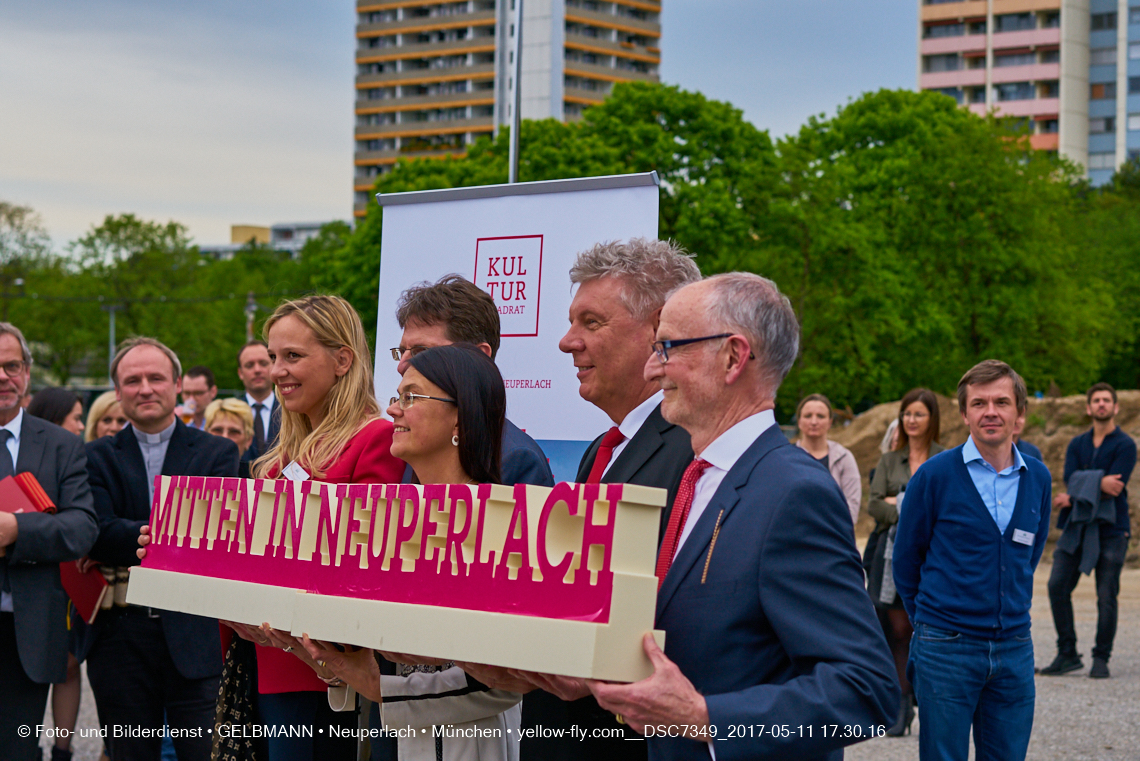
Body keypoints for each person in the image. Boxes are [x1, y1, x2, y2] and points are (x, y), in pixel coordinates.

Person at [579, 273, 897, 759]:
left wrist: (706, 719)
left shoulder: (795, 494)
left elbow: (866, 689)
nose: (651, 368)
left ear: (732, 357)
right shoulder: (695, 477)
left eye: (667, 347)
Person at [485, 239, 699, 761]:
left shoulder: (694, 455)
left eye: (591, 322)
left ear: (657, 332)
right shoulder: (601, 453)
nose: (566, 341)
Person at [294, 344, 524, 761]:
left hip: (466, 744)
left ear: (460, 413)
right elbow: (381, 654)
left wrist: (384, 689)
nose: (394, 410)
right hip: (393, 738)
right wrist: (330, 656)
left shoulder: (498, 522)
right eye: (397, 397)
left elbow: (506, 682)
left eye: (411, 397)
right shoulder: (388, 518)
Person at [221, 294, 406, 761]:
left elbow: (365, 560)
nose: (276, 370)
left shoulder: (376, 438)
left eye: (293, 356)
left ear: (342, 359)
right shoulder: (277, 459)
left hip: (331, 674)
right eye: (272, 357)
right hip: (271, 663)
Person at [85, 337, 239, 760]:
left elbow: (215, 534)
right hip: (120, 640)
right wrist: (164, 535)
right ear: (117, 392)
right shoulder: (94, 456)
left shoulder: (218, 452)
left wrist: (129, 536)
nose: (145, 388)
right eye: (132, 380)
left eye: (156, 378)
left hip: (193, 634)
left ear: (176, 385)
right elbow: (95, 530)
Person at [894, 360, 1052, 761]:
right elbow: (907, 560)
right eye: (979, 403)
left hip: (1015, 649)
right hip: (946, 649)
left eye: (1002, 401)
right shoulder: (933, 477)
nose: (991, 412)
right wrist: (934, 624)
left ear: (1019, 413)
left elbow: (1026, 556)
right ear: (964, 414)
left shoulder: (1038, 478)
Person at [0, 323, 98, 761]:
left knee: (14, 748)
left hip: (27, 631)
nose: (3, 376)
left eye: (11, 365)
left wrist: (18, 531)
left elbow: (82, 528)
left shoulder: (62, 446)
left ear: (27, 372)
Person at [391, 275, 553, 488]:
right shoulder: (418, 446)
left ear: (478, 357)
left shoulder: (516, 458)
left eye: (422, 352)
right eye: (402, 351)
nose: (402, 365)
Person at [1041, 382, 1135, 679]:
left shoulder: (1126, 445)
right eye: (1096, 400)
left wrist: (1076, 494)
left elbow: (1116, 487)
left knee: (1106, 594)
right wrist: (1095, 484)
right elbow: (1071, 478)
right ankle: (1067, 653)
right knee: (1056, 586)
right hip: (1077, 525)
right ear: (1088, 407)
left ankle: (1101, 656)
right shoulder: (1076, 444)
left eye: (1107, 400)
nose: (1102, 404)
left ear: (1116, 407)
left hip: (1111, 528)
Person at [865, 387, 943, 736]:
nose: (911, 420)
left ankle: (926, 701)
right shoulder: (888, 460)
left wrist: (901, 505)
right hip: (890, 554)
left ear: (932, 419)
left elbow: (946, 508)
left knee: (924, 631)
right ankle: (899, 704)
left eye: (919, 414)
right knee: (896, 631)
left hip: (934, 556)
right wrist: (909, 508)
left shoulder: (945, 459)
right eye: (907, 414)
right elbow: (875, 506)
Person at [24, 386, 90, 761]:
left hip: (73, 578)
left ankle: (61, 750)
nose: (82, 426)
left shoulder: (72, 454)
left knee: (67, 663)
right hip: (39, 578)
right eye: (76, 418)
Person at [794, 393, 861, 525]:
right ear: (799, 421)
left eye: (821, 416)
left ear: (830, 422)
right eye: (808, 416)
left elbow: (852, 507)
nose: (814, 422)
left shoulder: (844, 458)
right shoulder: (788, 458)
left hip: (834, 537)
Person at [237, 340, 279, 461]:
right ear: (240, 373)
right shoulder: (230, 414)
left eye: (263, 363)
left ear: (273, 365)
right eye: (249, 365)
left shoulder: (292, 411)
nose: (257, 370)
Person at [204, 398, 255, 477]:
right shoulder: (191, 474)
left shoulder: (258, 479)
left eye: (234, 432)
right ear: (206, 434)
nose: (225, 437)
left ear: (248, 440)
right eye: (217, 430)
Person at [178, 364, 217, 430]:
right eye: (187, 393)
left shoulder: (222, 423)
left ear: (213, 392)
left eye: (198, 393)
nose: (191, 399)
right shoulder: (176, 420)